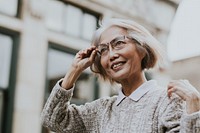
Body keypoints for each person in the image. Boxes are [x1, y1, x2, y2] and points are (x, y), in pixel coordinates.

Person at [41, 18, 200, 133]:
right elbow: (53, 120)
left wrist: (194, 108)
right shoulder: (101, 110)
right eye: (103, 50)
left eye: (119, 43)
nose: (111, 55)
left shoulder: (168, 101)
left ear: (142, 49)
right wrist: (73, 72)